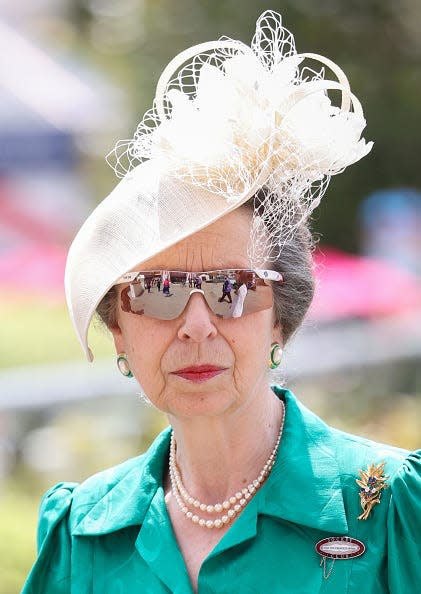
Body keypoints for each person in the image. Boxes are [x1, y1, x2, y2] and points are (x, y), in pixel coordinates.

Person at [23, 11, 420, 594]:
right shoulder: (82, 532)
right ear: (119, 334)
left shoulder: (391, 509)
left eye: (232, 288)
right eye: (157, 292)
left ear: (280, 320)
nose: (197, 325)